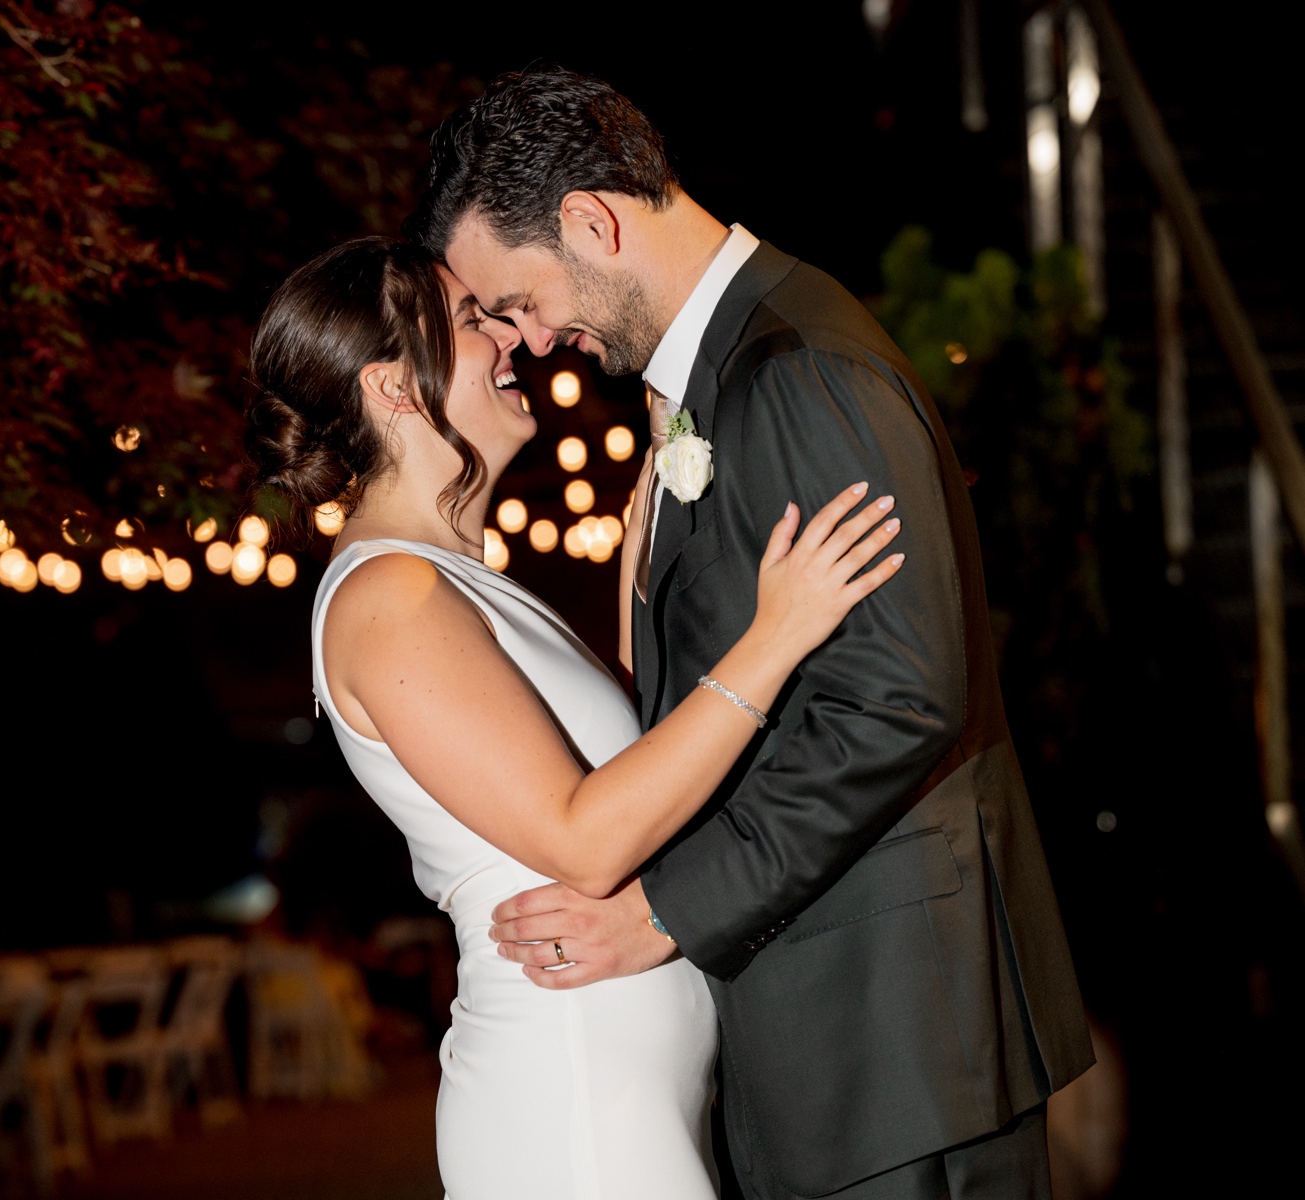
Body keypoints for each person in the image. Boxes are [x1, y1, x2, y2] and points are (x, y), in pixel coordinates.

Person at [413, 67, 1093, 1200]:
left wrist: (668, 915)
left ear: (593, 221)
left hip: (891, 1040)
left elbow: (897, 698)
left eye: (519, 300)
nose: (528, 342)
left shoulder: (795, 371)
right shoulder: (725, 377)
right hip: (853, 1046)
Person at [246, 234, 902, 1199]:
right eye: (473, 323)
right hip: (570, 1103)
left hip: (622, 1092)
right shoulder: (389, 595)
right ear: (392, 387)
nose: (512, 339)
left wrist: (652, 529)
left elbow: (636, 752)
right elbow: (584, 838)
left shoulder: (456, 581)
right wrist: (779, 633)